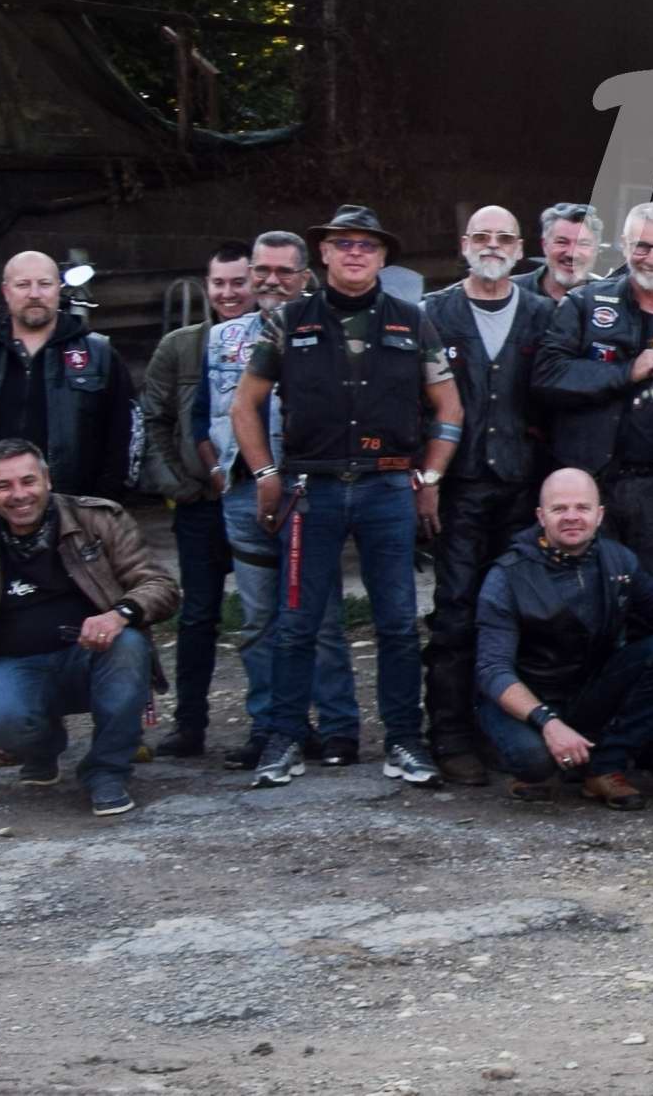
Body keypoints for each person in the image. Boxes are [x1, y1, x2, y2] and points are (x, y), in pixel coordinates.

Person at [228, 205, 458, 790]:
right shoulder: (288, 322)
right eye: (343, 243)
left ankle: (404, 740)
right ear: (323, 254)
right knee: (297, 622)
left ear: (383, 257)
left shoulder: (414, 321)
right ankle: (283, 739)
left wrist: (429, 480)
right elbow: (243, 405)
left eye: (368, 245)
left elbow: (449, 408)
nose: (356, 252)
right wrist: (264, 474)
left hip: (387, 487)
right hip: (314, 488)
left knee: (399, 624)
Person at [0, 443, 175, 818]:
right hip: (20, 668)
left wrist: (119, 614)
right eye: (3, 486)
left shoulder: (99, 521)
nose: (19, 495)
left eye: (28, 481)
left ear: (47, 481)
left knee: (129, 645)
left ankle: (106, 771)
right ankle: (43, 747)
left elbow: (161, 587)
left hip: (96, 660)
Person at [528, 201, 653, 592]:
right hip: (589, 483)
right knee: (583, 597)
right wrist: (626, 372)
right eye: (641, 246)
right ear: (623, 247)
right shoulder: (585, 304)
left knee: (652, 599)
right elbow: (547, 376)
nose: (652, 258)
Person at [472, 469, 653, 809]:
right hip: (527, 701)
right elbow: (491, 670)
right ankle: (539, 759)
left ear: (599, 515)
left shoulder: (618, 558)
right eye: (560, 509)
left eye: (582, 508)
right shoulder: (507, 575)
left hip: (586, 692)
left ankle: (605, 768)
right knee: (535, 763)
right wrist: (548, 723)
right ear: (540, 516)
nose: (572, 517)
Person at [422, 206, 550, 788]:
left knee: (519, 612)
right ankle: (449, 735)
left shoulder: (543, 314)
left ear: (521, 248)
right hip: (461, 487)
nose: (492, 246)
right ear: (464, 243)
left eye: (504, 237)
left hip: (522, 488)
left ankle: (504, 731)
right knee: (455, 611)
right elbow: (414, 402)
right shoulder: (434, 313)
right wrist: (424, 478)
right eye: (482, 236)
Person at [206, 230, 322, 768]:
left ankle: (330, 726)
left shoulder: (326, 329)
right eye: (262, 270)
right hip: (244, 493)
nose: (271, 281)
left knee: (315, 618)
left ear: (303, 275)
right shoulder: (223, 338)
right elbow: (211, 413)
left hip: (310, 490)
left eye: (283, 271)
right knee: (256, 620)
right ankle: (269, 724)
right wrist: (219, 470)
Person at [0, 249, 139, 539]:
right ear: (6, 291)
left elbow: (127, 438)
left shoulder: (99, 355)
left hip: (75, 522)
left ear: (58, 289)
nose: (34, 294)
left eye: (44, 284)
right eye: (23, 285)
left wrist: (103, 507)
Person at [135, 245, 245, 760]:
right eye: (219, 283)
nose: (229, 293)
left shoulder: (278, 339)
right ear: (207, 285)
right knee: (199, 615)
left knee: (273, 616)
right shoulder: (180, 348)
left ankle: (281, 724)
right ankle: (191, 724)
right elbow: (153, 420)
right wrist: (181, 485)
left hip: (262, 503)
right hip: (201, 505)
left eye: (238, 282)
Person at [522, 203, 600, 304]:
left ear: (595, 250)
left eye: (583, 244)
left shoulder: (611, 300)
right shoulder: (511, 291)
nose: (572, 254)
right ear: (545, 245)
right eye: (562, 242)